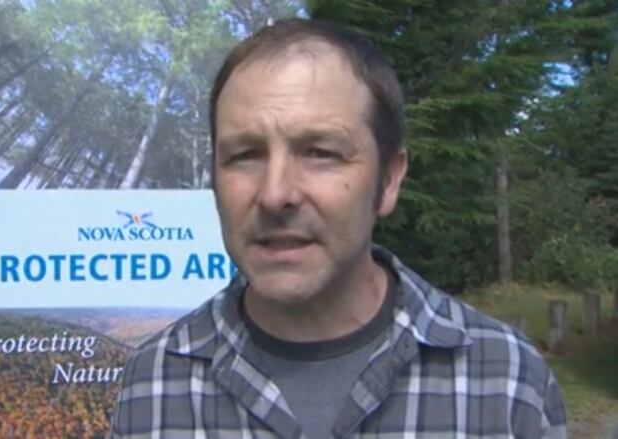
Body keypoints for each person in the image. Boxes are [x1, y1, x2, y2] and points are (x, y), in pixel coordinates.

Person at [111, 18, 566, 438]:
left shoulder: (504, 381)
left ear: (388, 180)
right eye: (244, 155)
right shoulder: (154, 383)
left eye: (321, 152)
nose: (275, 194)